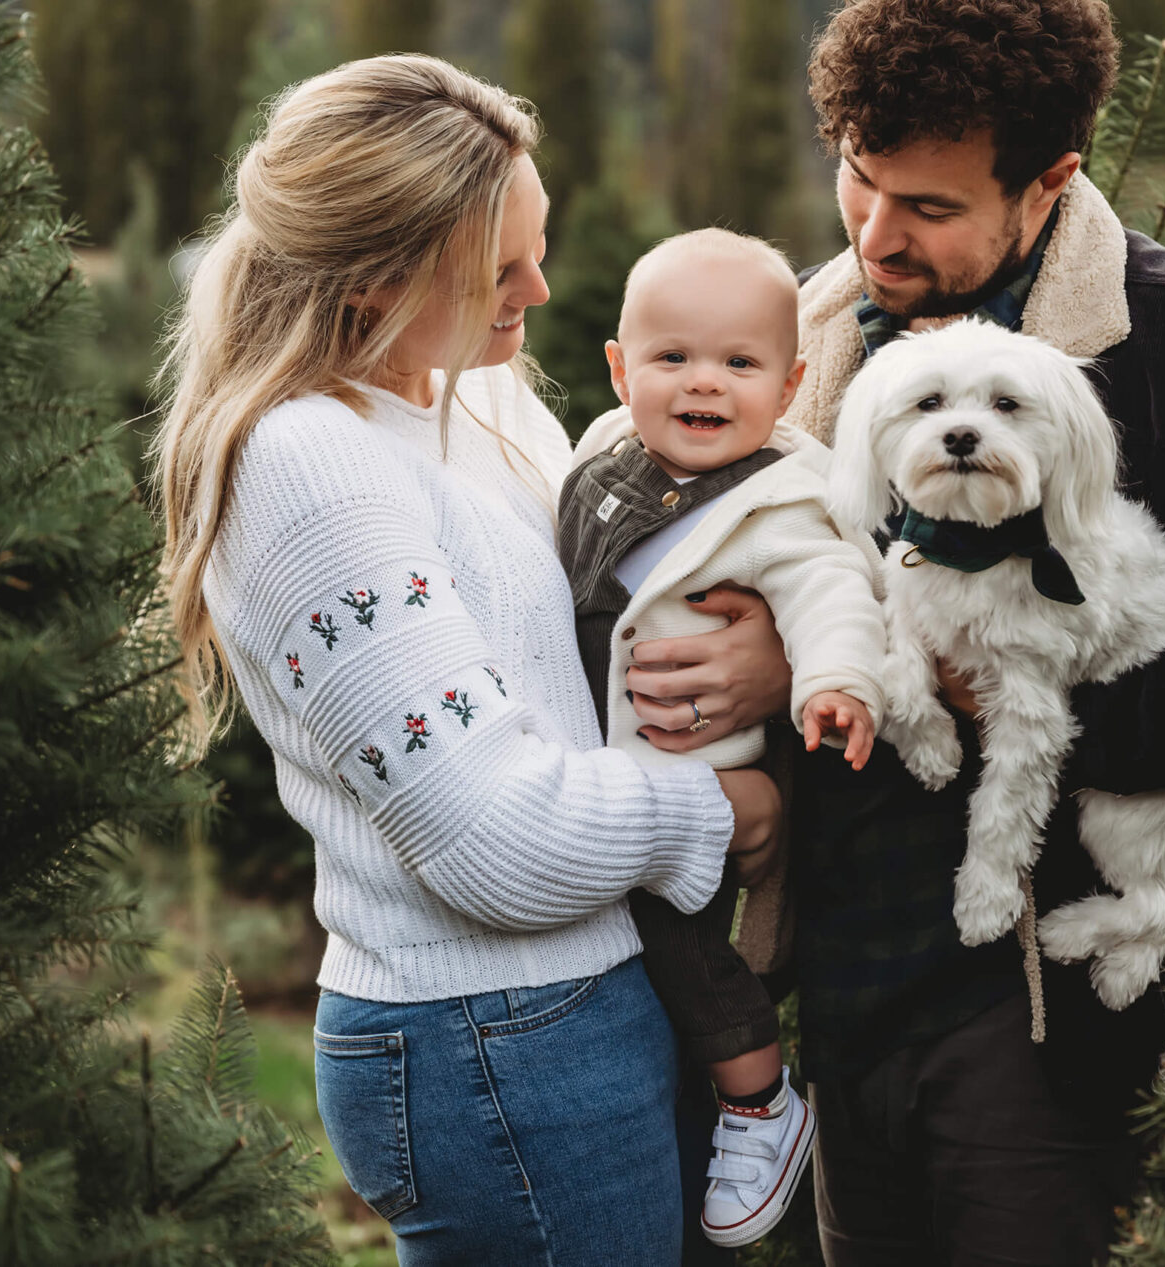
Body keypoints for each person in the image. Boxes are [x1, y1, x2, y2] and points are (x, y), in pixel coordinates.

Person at [148, 55, 792, 1266]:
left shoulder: (472, 399)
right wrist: (723, 803)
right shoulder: (310, 469)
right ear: (380, 276)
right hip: (496, 1035)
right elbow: (494, 835)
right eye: (498, 271)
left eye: (534, 248)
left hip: (590, 995)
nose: (540, 291)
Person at [771, 2, 1165, 1263]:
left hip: (1040, 1024)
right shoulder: (804, 331)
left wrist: (1042, 721)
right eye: (857, 179)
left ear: (1049, 183)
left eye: (928, 209)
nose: (875, 235)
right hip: (848, 993)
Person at [557, 228, 885, 1247]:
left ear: (787, 386)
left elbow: (833, 592)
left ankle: (760, 1103)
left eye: (738, 365)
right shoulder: (604, 466)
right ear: (620, 369)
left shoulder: (779, 500)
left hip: (692, 775)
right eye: (672, 359)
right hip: (602, 769)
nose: (704, 384)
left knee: (680, 941)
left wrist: (831, 678)